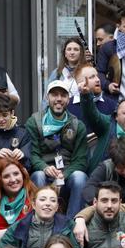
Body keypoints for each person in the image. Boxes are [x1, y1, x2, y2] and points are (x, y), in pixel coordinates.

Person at [24, 79, 91, 216]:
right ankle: (39, 220)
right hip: (44, 171)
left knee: (80, 177)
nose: (59, 99)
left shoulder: (78, 125)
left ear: (68, 99)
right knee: (37, 175)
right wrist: (45, 167)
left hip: (67, 174)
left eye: (63, 95)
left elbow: (80, 161)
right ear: (47, 98)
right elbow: (33, 154)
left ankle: (72, 225)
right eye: (54, 95)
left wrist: (62, 176)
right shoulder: (34, 122)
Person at [0, 185, 83, 248]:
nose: (48, 204)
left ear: (57, 207)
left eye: (53, 200)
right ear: (33, 204)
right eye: (42, 199)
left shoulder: (68, 225)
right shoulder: (18, 227)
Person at [49, 38, 87, 108]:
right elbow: (47, 98)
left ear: (81, 53)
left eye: (76, 49)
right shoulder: (57, 73)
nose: (72, 52)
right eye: (69, 49)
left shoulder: (87, 71)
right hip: (62, 113)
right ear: (65, 54)